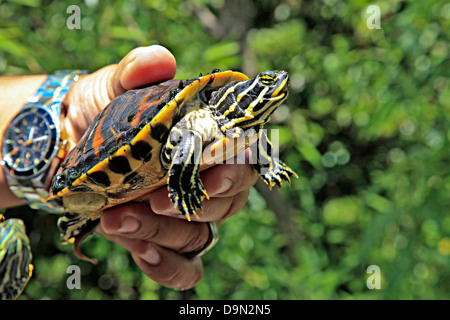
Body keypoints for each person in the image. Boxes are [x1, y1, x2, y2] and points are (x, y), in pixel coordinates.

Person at [0, 45, 258, 291]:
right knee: (82, 204)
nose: (279, 83)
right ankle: (77, 212)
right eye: (265, 83)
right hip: (116, 151)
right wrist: (184, 183)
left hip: (126, 191)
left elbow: (257, 143)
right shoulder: (199, 112)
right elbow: (187, 135)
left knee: (88, 206)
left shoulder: (243, 131)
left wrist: (266, 166)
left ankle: (78, 213)